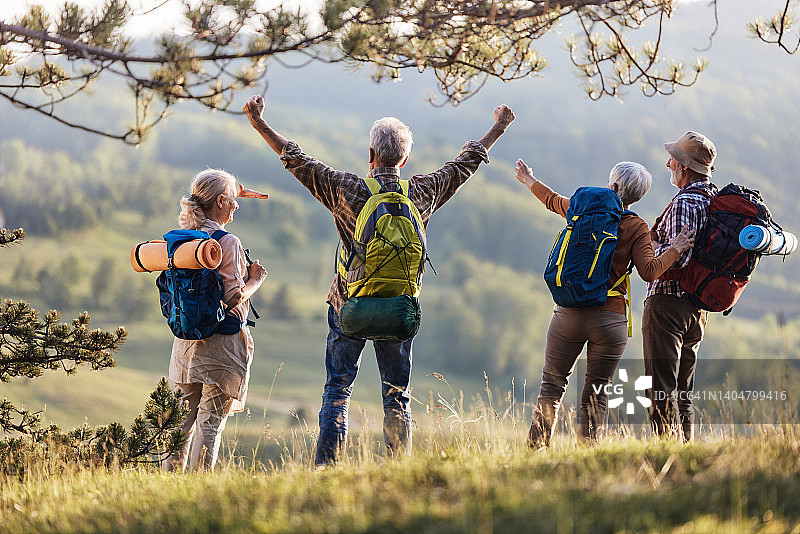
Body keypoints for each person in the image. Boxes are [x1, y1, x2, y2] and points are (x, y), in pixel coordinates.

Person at [242, 94, 515, 466]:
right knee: (397, 396)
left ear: (371, 153)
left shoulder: (346, 188)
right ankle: (399, 468)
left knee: (337, 392)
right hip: (399, 310)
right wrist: (497, 127)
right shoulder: (422, 191)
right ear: (404, 159)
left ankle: (326, 469)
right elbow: (464, 165)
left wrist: (258, 122)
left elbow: (296, 159)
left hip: (347, 306)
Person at [513, 158, 695, 447]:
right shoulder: (637, 226)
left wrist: (527, 179)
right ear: (638, 197)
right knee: (596, 393)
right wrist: (675, 249)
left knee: (551, 387)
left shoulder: (582, 208)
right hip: (610, 320)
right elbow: (649, 271)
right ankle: (587, 453)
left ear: (612, 185)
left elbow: (551, 200)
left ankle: (535, 450)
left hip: (568, 314)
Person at [165, 169, 268, 471]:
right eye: (233, 201)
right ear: (221, 201)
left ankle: (167, 485)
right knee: (210, 424)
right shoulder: (228, 242)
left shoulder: (186, 239)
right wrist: (256, 280)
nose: (237, 205)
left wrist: (234, 191)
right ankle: (197, 489)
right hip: (221, 347)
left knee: (179, 424)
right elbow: (233, 297)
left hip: (186, 343)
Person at [643, 131, 718, 442]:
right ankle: (684, 443)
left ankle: (664, 446)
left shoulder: (686, 201)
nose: (667, 163)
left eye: (672, 159)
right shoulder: (713, 200)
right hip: (698, 308)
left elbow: (679, 258)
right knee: (683, 385)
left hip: (668, 303)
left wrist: (648, 249)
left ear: (684, 167)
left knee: (659, 382)